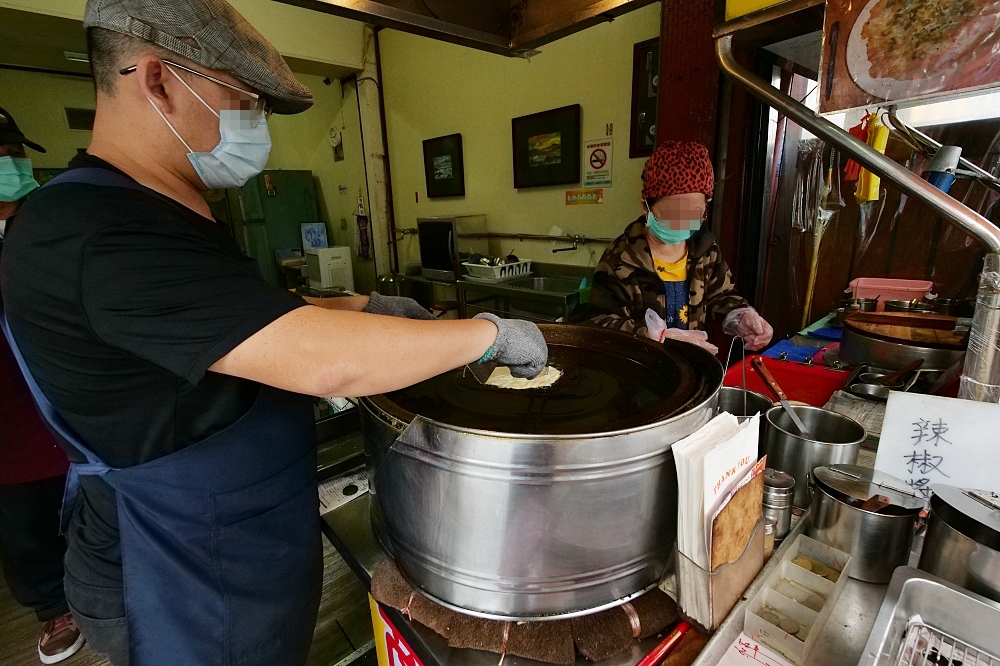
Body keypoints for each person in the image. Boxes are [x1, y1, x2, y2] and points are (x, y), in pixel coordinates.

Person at [0, 1, 547, 665]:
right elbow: (320, 361)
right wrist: (490, 332)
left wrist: (365, 304)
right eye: (241, 99)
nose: (253, 123)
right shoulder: (95, 233)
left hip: (227, 544)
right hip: (173, 572)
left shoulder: (154, 211)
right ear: (157, 80)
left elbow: (245, 317)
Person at [0, 106, 85, 664]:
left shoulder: (51, 219)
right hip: (11, 418)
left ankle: (103, 585)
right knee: (25, 522)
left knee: (92, 506)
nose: (11, 164)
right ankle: (55, 607)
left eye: (14, 153)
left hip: (75, 402)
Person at [590, 141, 773, 353]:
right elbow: (598, 325)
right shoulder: (620, 259)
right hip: (642, 370)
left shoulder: (705, 250)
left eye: (693, 211)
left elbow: (721, 296)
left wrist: (741, 316)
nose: (682, 221)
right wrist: (651, 336)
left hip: (693, 369)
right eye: (672, 211)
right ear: (645, 206)